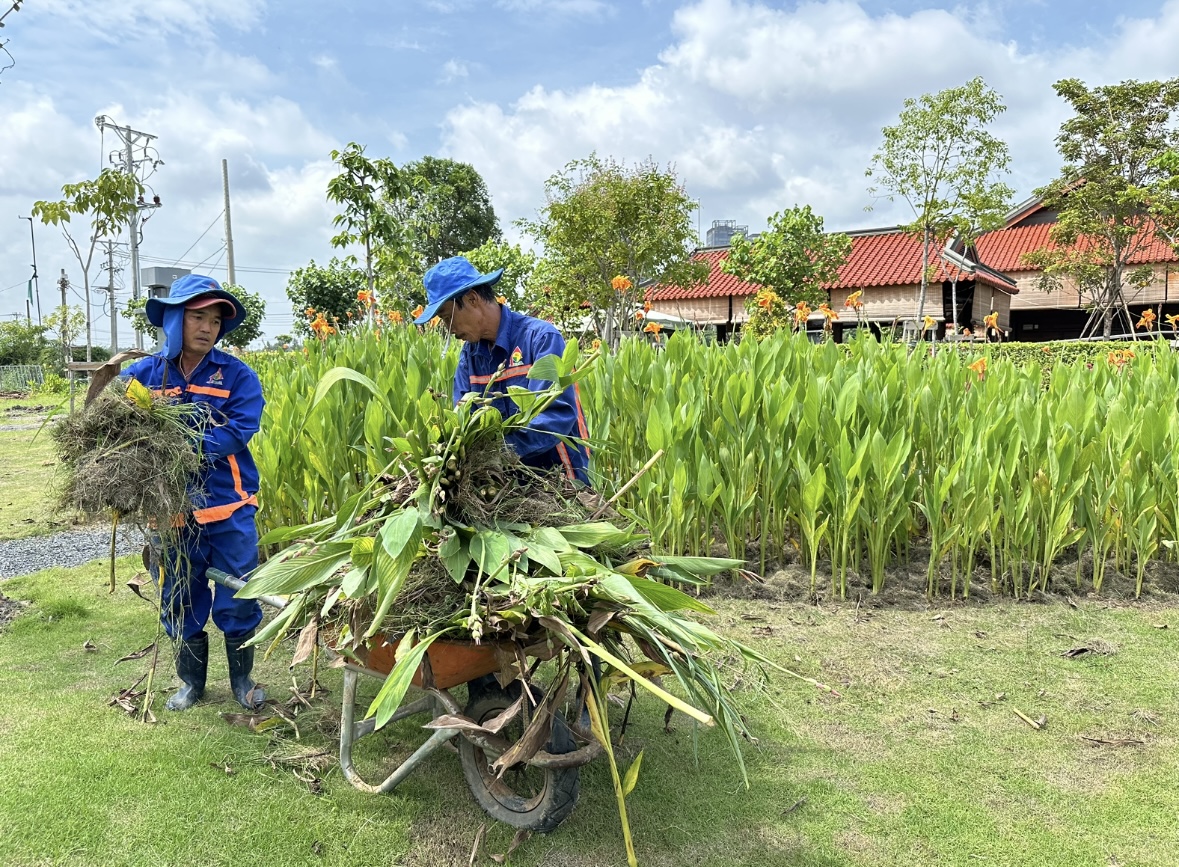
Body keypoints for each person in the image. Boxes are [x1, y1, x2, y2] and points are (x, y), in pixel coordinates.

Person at [123, 274, 265, 712]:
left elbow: (240, 429)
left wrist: (184, 447)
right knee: (179, 594)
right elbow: (119, 427)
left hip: (228, 505)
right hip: (169, 512)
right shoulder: (143, 376)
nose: (207, 327)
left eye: (215, 320)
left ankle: (243, 681)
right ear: (173, 320)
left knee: (239, 592)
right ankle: (191, 683)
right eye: (197, 317)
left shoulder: (236, 375)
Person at [415, 256, 590, 484]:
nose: (449, 330)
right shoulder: (469, 357)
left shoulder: (540, 339)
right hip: (508, 488)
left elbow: (556, 416)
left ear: (473, 299)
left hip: (561, 483)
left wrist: (497, 452)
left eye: (448, 318)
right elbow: (464, 420)